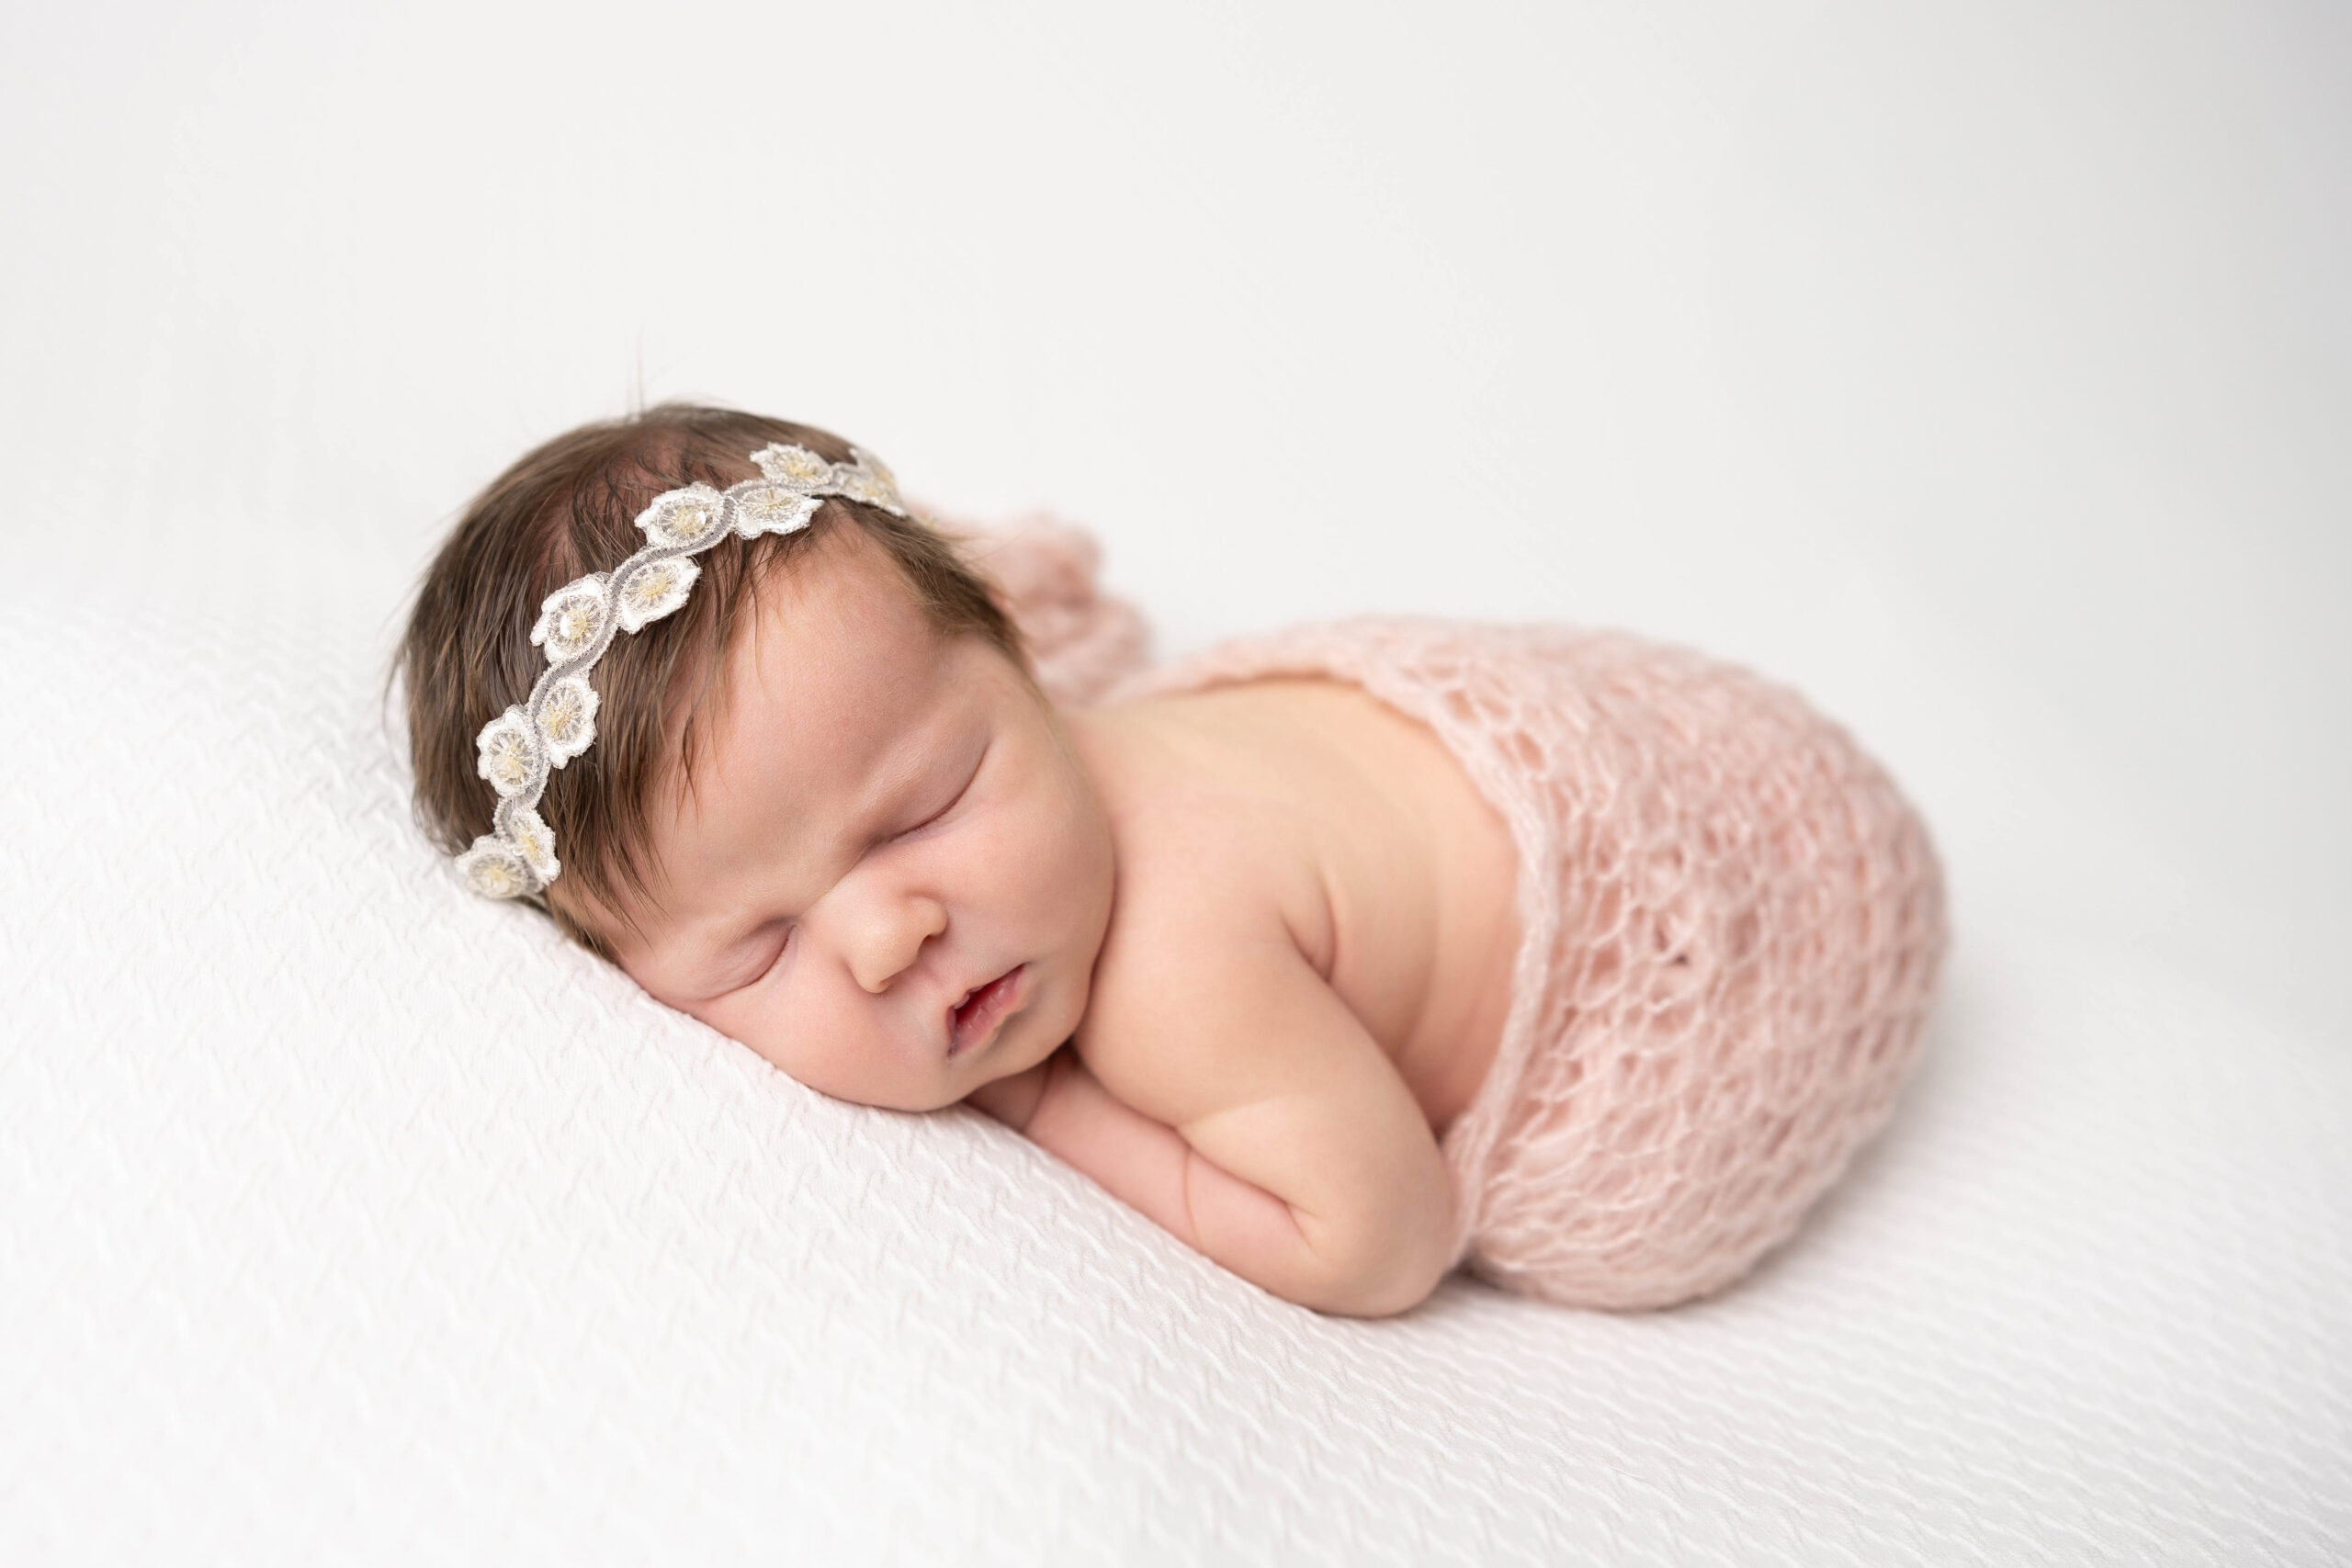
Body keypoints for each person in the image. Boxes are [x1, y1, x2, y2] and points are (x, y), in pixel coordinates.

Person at [396, 403, 1947, 1317]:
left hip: (1733, 927)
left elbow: (1384, 1241)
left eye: (925, 806)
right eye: (759, 950)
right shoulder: (976, 735)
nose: (888, 937)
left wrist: (1059, 1104)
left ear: (1010, 653)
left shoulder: (1172, 977)